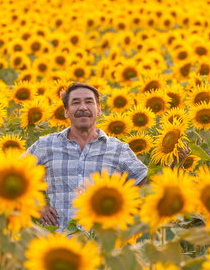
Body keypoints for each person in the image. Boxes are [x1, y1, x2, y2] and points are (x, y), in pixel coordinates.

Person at [26, 82, 187, 230]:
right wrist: (35, 205)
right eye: (75, 103)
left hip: (105, 244)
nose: (83, 107)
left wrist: (175, 164)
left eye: (89, 102)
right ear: (66, 111)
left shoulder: (118, 149)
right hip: (61, 245)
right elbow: (8, 171)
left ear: (99, 110)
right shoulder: (47, 145)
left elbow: (148, 188)